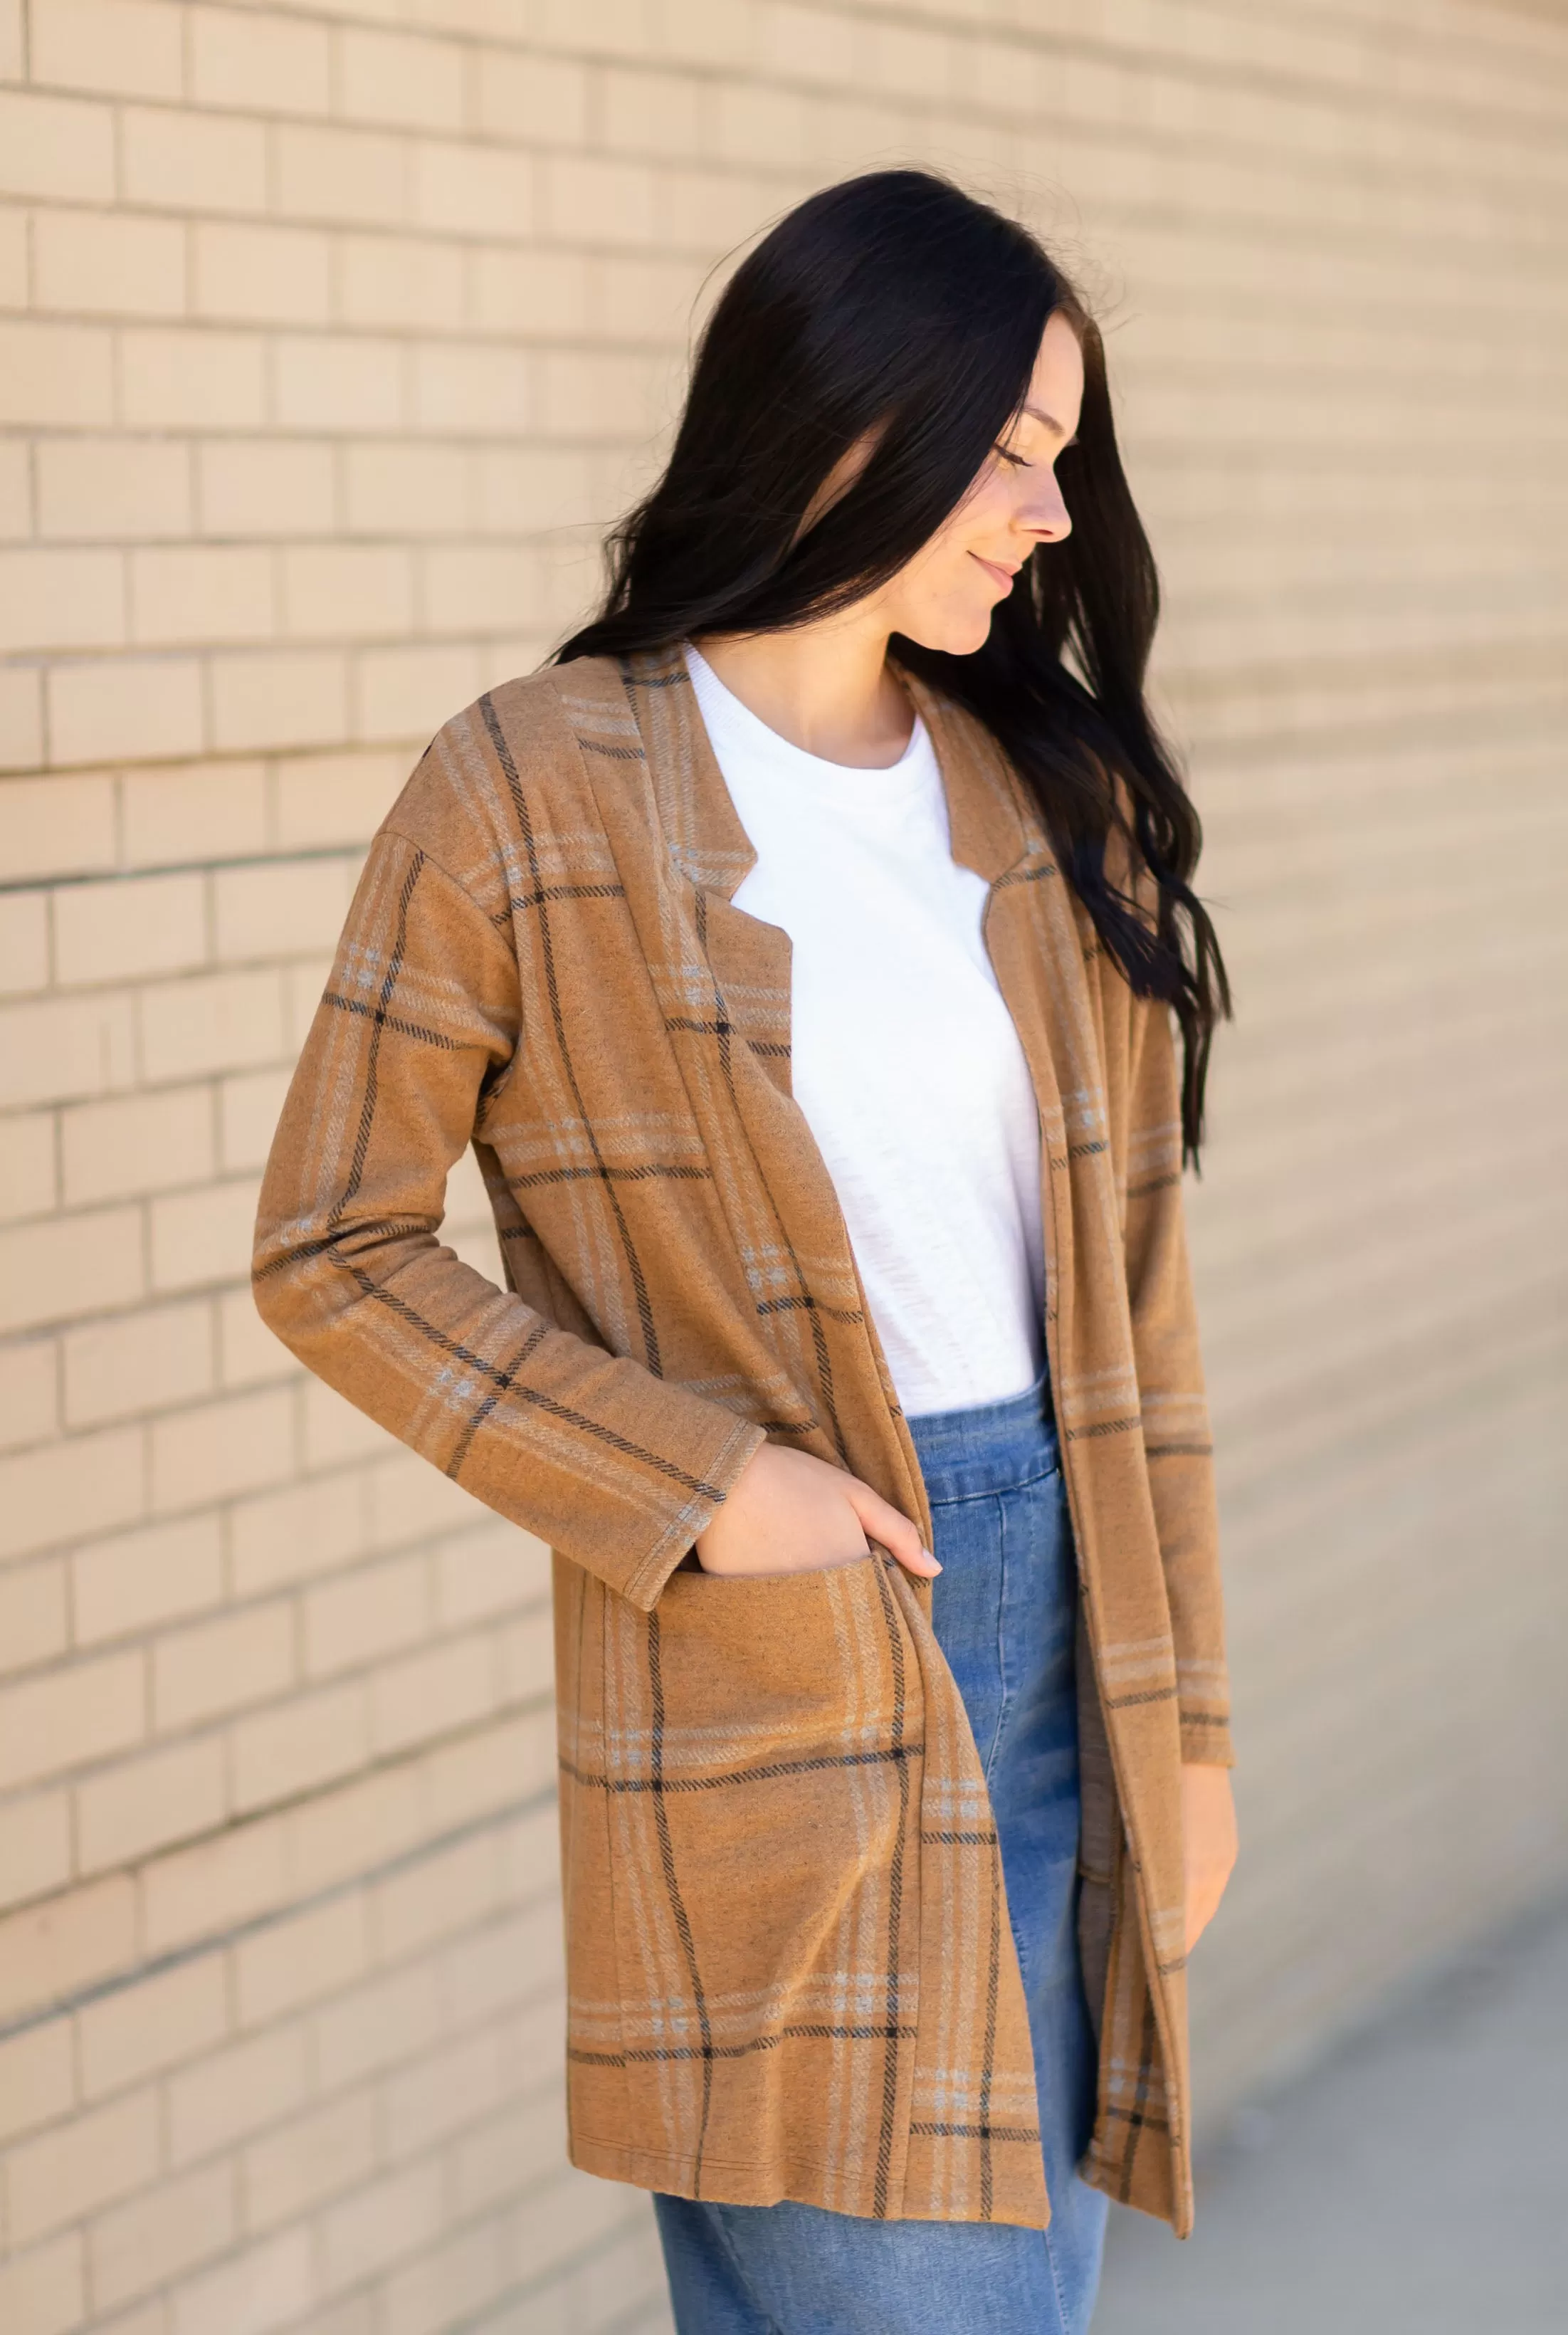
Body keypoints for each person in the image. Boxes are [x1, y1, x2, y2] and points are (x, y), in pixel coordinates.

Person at [253, 168, 1237, 2335]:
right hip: (784, 1664)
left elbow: (1138, 1312)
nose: (1046, 515)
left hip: (1071, 1651)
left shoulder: (1024, 797)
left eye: (1059, 463)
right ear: (851, 419)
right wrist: (703, 1491)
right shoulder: (532, 793)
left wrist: (1191, 1723)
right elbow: (331, 1243)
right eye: (1004, 450)